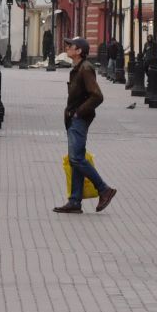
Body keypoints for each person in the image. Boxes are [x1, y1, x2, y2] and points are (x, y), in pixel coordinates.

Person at [55, 38, 116, 214]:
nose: (67, 48)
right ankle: (74, 201)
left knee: (77, 159)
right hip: (75, 118)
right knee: (76, 159)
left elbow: (97, 96)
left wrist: (78, 112)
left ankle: (104, 189)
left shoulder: (86, 69)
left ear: (79, 51)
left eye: (70, 46)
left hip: (79, 118)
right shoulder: (77, 68)